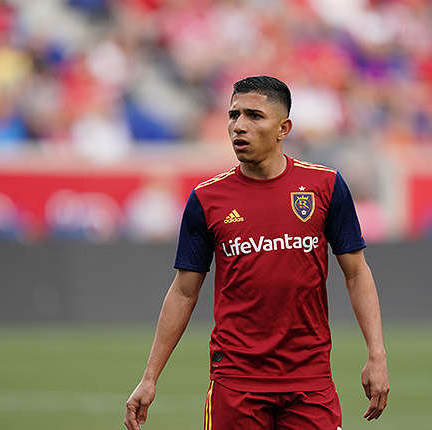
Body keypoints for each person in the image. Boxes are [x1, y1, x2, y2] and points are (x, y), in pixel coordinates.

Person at [124, 76, 389, 430]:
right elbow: (184, 291)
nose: (239, 126)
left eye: (254, 116)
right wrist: (149, 377)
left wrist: (377, 354)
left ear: (283, 129)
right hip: (236, 381)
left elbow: (356, 272)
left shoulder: (325, 186)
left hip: (309, 380)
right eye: (233, 115)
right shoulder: (207, 199)